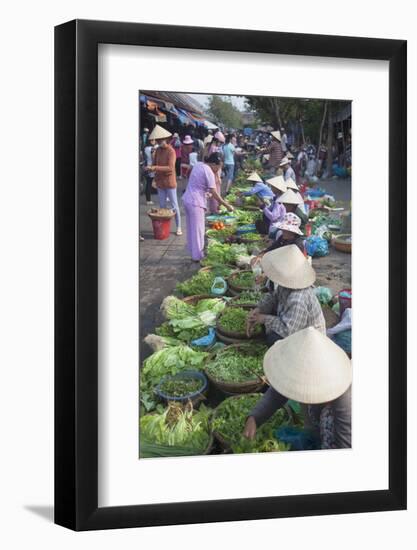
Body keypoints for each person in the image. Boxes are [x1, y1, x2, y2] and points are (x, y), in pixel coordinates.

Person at [243, 327, 352, 450]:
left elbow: (345, 446)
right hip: (316, 428)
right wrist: (254, 418)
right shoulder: (300, 375)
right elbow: (279, 390)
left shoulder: (345, 401)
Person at [246, 244, 325, 346]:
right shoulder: (287, 284)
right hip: (292, 324)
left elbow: (289, 331)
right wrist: (259, 310)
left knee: (272, 338)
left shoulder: (298, 299)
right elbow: (273, 297)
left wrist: (264, 318)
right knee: (266, 324)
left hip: (308, 341)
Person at [182, 152, 234, 261]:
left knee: (191, 228)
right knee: (198, 230)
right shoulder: (208, 171)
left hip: (187, 199)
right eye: (219, 167)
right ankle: (197, 257)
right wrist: (226, 205)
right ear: (215, 164)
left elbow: (198, 184)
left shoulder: (199, 165)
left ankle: (193, 252)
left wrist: (207, 193)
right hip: (196, 202)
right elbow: (214, 192)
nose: (218, 170)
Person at [145, 125, 182, 236]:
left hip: (170, 182)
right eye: (158, 140)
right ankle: (164, 228)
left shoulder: (171, 151)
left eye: (161, 140)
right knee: (162, 206)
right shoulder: (157, 150)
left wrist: (154, 168)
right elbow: (154, 164)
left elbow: (170, 168)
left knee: (174, 206)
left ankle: (179, 226)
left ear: (166, 139)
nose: (160, 142)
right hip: (160, 181)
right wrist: (150, 168)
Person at [143, 138, 157, 205]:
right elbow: (153, 158)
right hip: (151, 167)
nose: (155, 141)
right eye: (154, 140)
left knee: (148, 183)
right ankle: (149, 200)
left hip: (146, 166)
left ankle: (148, 200)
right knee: (150, 182)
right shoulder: (152, 149)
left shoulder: (145, 148)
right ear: (151, 141)